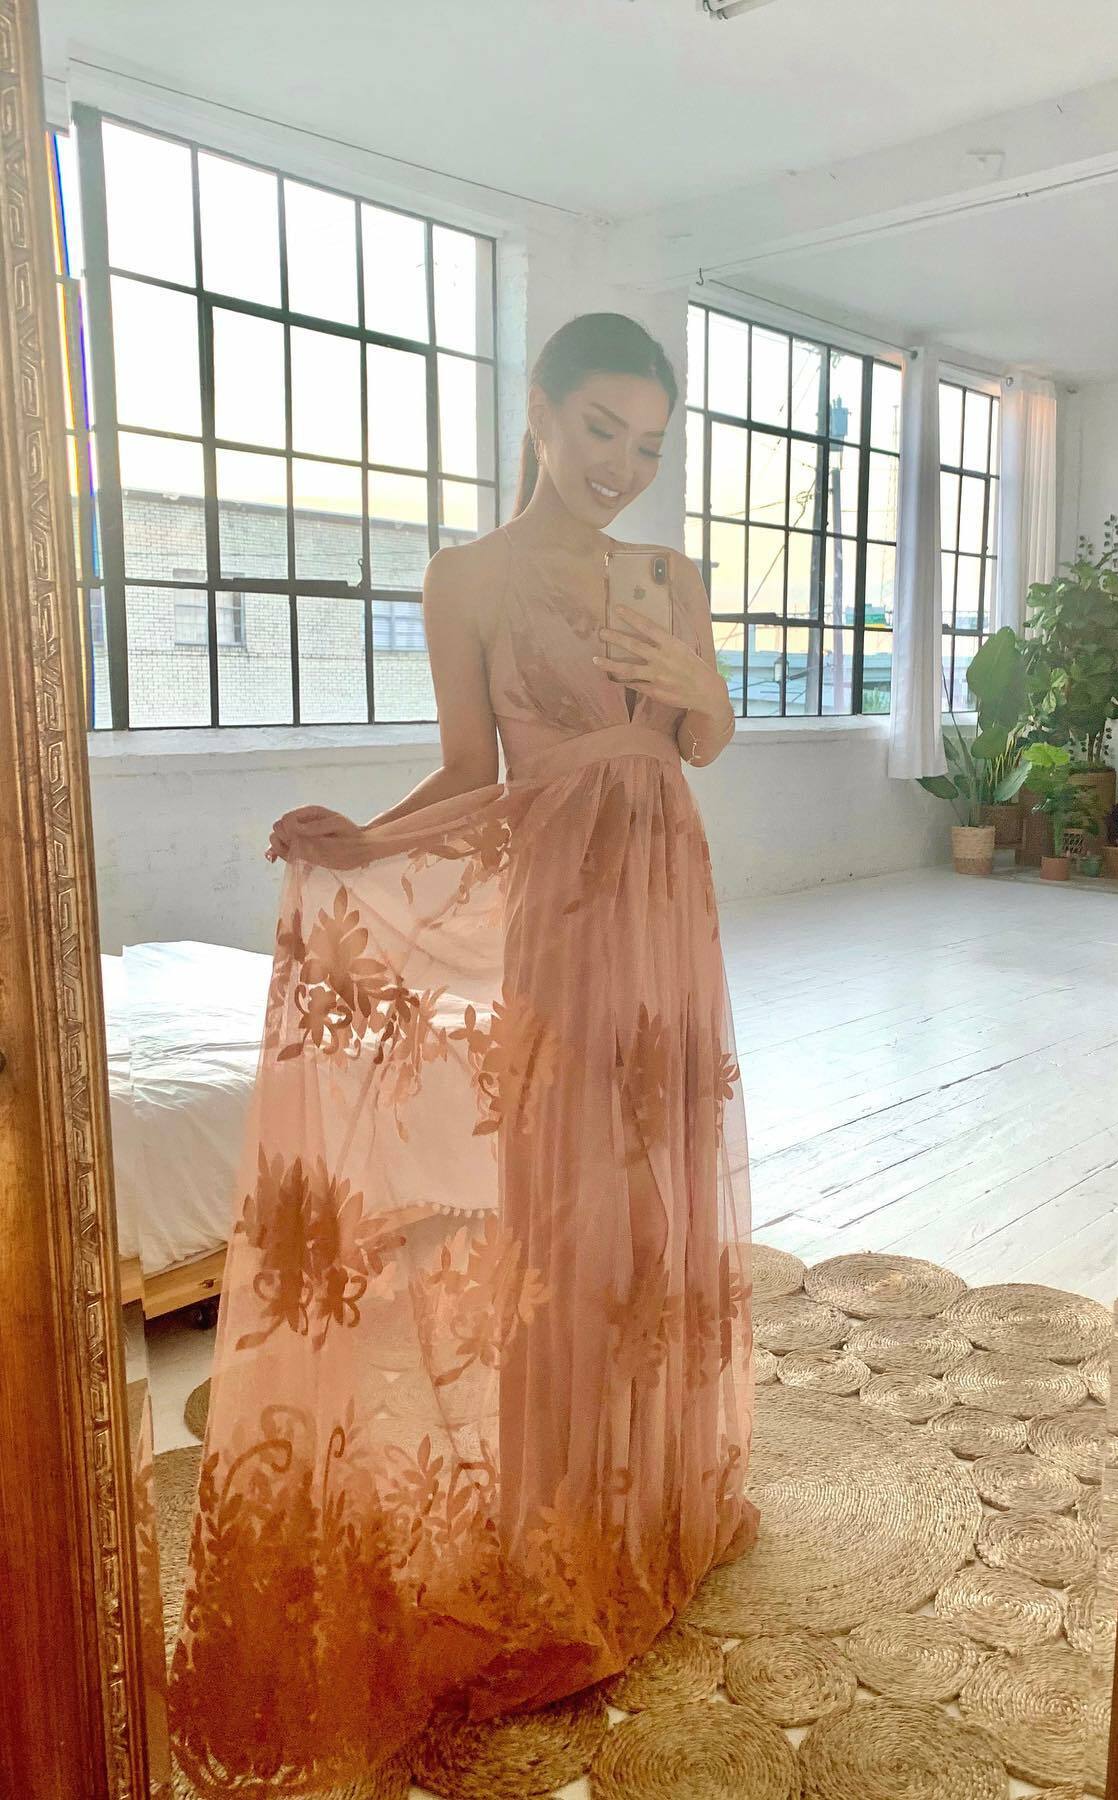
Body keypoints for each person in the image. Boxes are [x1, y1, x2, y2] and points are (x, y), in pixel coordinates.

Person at [168, 312, 759, 1796]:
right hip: (564, 895)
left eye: (649, 443)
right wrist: (361, 845)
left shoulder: (671, 572)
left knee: (656, 1186)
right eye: (602, 428)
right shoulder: (467, 578)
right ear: (540, 412)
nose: (624, 464)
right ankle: (555, 1520)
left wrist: (695, 685)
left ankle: (650, 1494)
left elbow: (701, 743)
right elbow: (467, 766)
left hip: (666, 890)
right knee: (563, 1196)